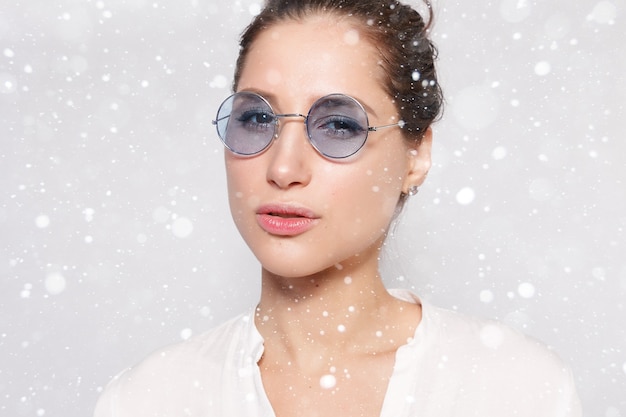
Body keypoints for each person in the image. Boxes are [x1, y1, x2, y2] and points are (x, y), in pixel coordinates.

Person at [94, 1, 582, 416]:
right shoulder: (148, 400)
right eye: (258, 118)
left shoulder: (514, 389)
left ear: (416, 155)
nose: (284, 167)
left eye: (338, 126)